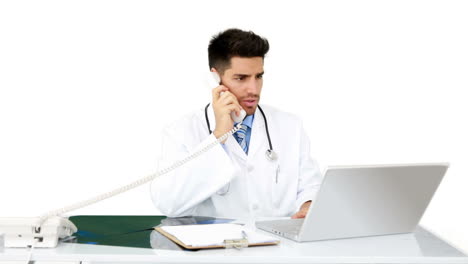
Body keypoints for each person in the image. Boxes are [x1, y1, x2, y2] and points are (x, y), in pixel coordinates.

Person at [150, 28, 322, 219]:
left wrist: (308, 206)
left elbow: (310, 186)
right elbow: (169, 204)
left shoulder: (290, 125)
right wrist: (218, 137)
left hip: (278, 245)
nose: (253, 89)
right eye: (241, 78)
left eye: (259, 76)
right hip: (215, 246)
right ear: (215, 79)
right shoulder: (181, 131)